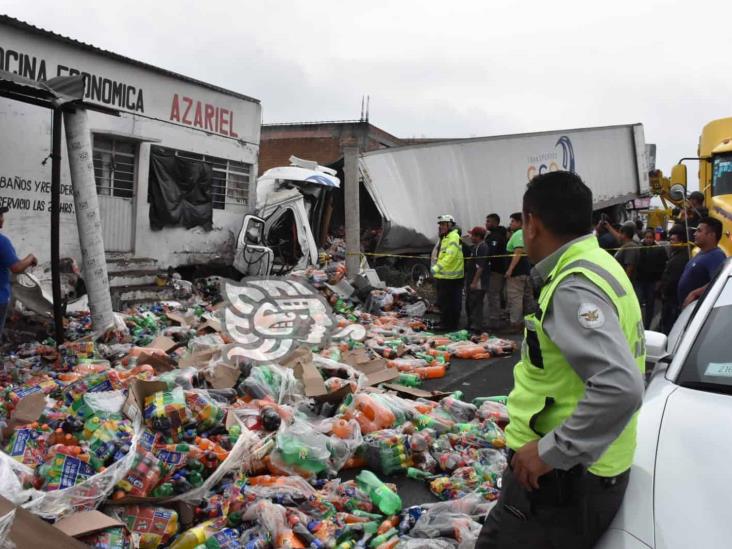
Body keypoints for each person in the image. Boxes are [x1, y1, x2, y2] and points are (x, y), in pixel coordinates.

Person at [477, 171, 645, 549]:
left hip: (560, 479)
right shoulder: (600, 264)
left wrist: (552, 451)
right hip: (591, 467)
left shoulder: (573, 284)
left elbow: (621, 385)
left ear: (533, 223)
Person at [0, 207, 37, 340]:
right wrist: (30, 258)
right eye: (1, 215)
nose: (2, 218)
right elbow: (16, 267)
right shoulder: (2, 242)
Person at [678, 217, 726, 307]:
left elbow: (719, 282)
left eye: (699, 231)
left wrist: (695, 293)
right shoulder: (701, 253)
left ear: (711, 235)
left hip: (697, 311)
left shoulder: (716, 256)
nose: (695, 234)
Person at [432, 214, 464, 331]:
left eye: (443, 224)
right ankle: (444, 322)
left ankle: (450, 325)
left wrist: (437, 268)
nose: (441, 227)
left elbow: (450, 256)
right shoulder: (445, 237)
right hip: (444, 276)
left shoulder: (453, 236)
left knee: (451, 304)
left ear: (450, 225)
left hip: (452, 278)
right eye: (440, 224)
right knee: (444, 303)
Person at [503, 212, 534, 333]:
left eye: (512, 221)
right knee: (527, 298)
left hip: (517, 272)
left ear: (520, 223)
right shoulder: (527, 233)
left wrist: (510, 269)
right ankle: (529, 323)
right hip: (525, 271)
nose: (510, 224)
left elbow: (518, 251)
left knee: (515, 298)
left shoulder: (519, 233)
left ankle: (516, 324)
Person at [658, 225, 690, 334]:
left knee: (668, 329)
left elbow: (672, 281)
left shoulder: (680, 259)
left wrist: (664, 293)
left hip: (672, 301)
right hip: (670, 301)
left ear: (681, 241)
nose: (670, 242)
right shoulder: (677, 255)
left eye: (673, 240)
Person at [635, 228, 667, 329]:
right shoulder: (639, 248)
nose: (648, 240)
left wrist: (659, 281)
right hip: (640, 280)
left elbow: (663, 266)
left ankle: (647, 326)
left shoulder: (659, 249)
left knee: (650, 305)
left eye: (650, 238)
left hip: (652, 281)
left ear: (653, 239)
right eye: (646, 237)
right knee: (637, 303)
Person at [484, 213, 508, 330]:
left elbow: (491, 252)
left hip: (496, 270)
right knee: (497, 294)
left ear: (495, 223)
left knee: (493, 295)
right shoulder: (494, 235)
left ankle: (495, 321)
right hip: (496, 269)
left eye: (488, 221)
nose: (486, 223)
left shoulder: (496, 236)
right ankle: (498, 317)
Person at [464, 226, 490, 334]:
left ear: (478, 236)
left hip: (478, 281)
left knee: (476, 303)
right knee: (470, 302)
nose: (471, 237)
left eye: (473, 235)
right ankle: (471, 324)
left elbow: (480, 266)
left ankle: (477, 327)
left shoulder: (482, 247)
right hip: (471, 279)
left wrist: (475, 282)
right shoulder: (475, 247)